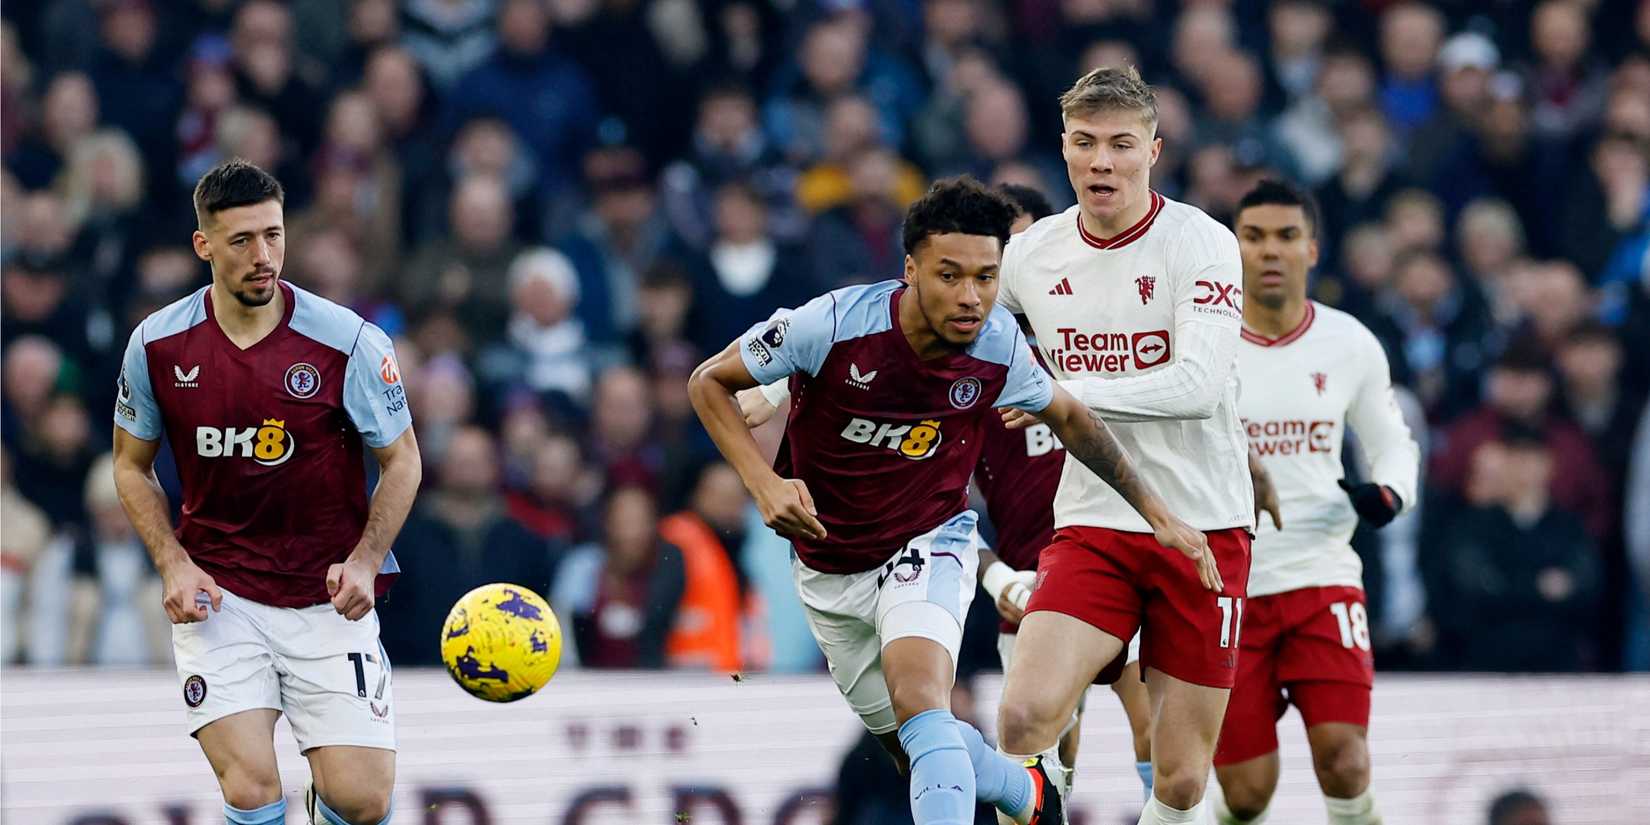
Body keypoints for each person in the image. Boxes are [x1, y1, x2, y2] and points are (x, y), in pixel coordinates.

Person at [688, 176, 1213, 825]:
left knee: (922, 699)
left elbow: (1074, 418)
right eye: (950, 275)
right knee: (916, 750)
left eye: (987, 277)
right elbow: (708, 382)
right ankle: (1024, 792)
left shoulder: (998, 347)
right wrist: (764, 482)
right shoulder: (830, 324)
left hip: (927, 541)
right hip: (828, 567)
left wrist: (1158, 513)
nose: (971, 297)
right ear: (911, 268)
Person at [110, 160, 421, 825]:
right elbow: (131, 466)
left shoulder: (349, 342)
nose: (264, 256)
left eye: (274, 236)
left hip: (326, 596)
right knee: (252, 787)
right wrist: (172, 560)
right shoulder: (157, 345)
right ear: (204, 246)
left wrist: (367, 558)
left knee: (361, 799)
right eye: (243, 240)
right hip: (221, 597)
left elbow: (402, 461)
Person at [991, 66, 1255, 825]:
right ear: (1064, 150)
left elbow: (1197, 383)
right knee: (1023, 716)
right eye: (1085, 143)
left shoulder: (1201, 243)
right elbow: (949, 331)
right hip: (1093, 523)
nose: (1101, 161)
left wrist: (1062, 397)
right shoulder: (1031, 255)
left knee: (1177, 779)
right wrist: (787, 386)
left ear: (1154, 152)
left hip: (1203, 523)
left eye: (1120, 145)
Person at [1207, 179, 1420, 825]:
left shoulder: (1349, 341)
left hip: (1321, 575)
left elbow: (1393, 440)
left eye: (1286, 236)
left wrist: (1390, 493)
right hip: (1226, 584)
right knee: (1247, 793)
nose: (1270, 251)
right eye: (1254, 236)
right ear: (1232, 248)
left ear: (1313, 249)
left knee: (1345, 758)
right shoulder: (1202, 342)